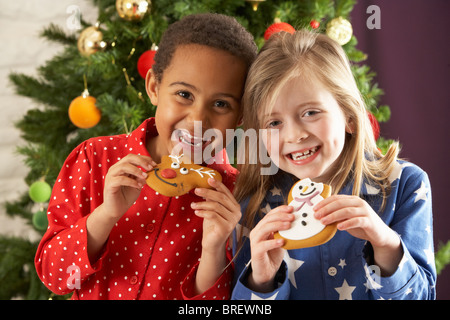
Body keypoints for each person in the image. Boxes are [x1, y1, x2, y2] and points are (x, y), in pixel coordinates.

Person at [35, 13, 257, 300]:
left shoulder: (235, 197)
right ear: (154, 87)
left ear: (240, 116)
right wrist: (106, 215)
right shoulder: (94, 159)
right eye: (184, 95)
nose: (198, 120)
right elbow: (55, 277)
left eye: (220, 104)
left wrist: (213, 249)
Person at [231, 29, 436, 300]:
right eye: (274, 123)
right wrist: (262, 280)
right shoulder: (253, 206)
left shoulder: (405, 185)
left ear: (349, 116)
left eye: (311, 112)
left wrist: (385, 244)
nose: (294, 135)